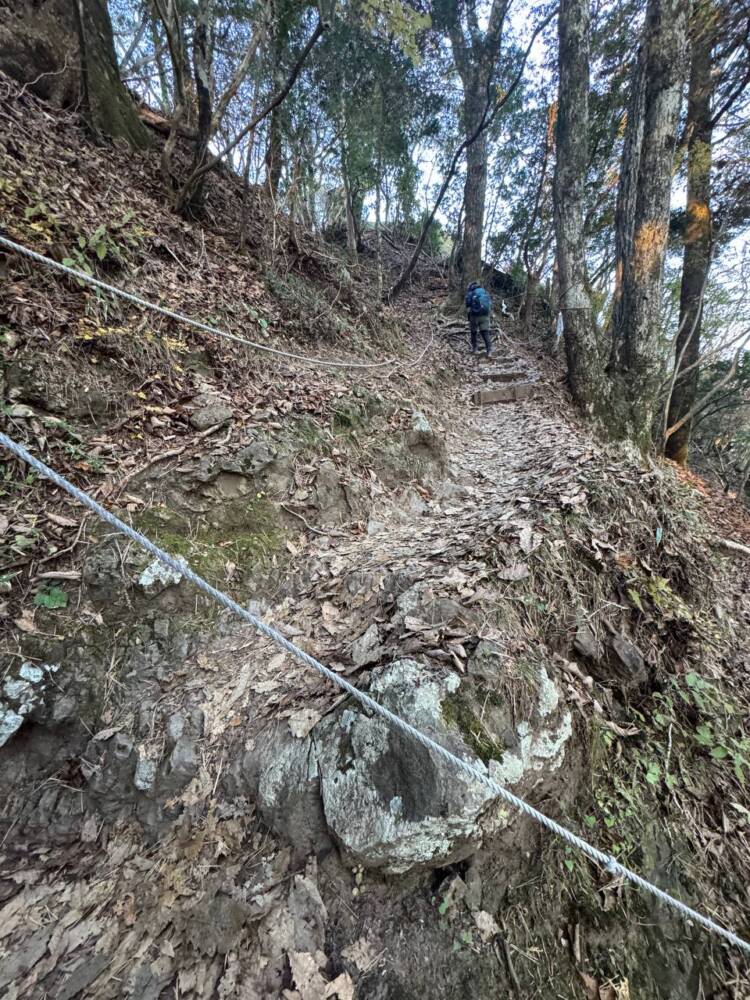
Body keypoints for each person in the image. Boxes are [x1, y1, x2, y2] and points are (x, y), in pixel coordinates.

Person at [465, 281, 492, 358]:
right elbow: (490, 303)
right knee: (485, 333)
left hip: (474, 316)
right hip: (485, 316)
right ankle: (489, 351)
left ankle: (475, 349)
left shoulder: (471, 293)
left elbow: (468, 304)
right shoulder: (484, 292)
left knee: (473, 333)